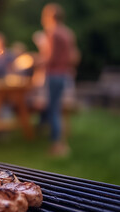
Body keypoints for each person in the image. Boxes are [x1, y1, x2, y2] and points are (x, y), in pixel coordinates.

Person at [40, 3, 80, 156]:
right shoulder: (68, 33)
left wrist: (36, 60)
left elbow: (49, 57)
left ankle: (57, 146)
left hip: (54, 75)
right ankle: (63, 143)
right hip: (65, 74)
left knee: (54, 110)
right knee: (62, 110)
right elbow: (75, 56)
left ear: (49, 17)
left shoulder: (53, 33)